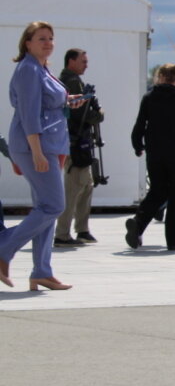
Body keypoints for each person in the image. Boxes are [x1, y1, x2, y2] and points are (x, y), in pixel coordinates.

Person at [1, 22, 83, 290]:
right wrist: (35, 151)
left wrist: (68, 101)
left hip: (50, 144)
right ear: (27, 42)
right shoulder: (28, 70)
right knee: (53, 207)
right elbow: (28, 113)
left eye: (50, 38)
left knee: (44, 208)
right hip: (37, 145)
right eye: (41, 39)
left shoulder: (41, 69)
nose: (47, 43)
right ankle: (4, 249)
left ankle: (42, 270)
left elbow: (47, 104)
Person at [126, 63, 175, 252]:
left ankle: (138, 223)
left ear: (159, 77)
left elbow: (140, 124)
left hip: (155, 152)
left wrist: (137, 145)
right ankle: (174, 240)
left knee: (157, 190)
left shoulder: (149, 97)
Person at [54, 47, 104, 247]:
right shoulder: (72, 82)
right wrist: (99, 114)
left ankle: (81, 229)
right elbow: (79, 113)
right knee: (74, 186)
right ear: (71, 61)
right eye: (83, 61)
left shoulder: (71, 80)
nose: (86, 65)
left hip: (77, 141)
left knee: (86, 185)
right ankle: (63, 233)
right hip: (75, 141)